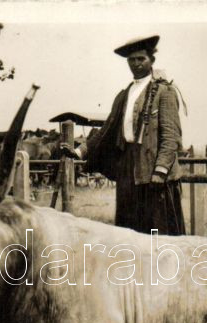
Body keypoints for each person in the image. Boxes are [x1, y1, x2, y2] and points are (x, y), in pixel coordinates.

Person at [62, 35, 186, 235]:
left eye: (141, 59)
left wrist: (160, 170)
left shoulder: (165, 91)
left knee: (159, 232)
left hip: (154, 168)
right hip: (128, 168)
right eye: (132, 60)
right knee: (128, 232)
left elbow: (171, 136)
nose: (136, 63)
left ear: (152, 60)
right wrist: (78, 151)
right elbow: (106, 130)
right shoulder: (124, 95)